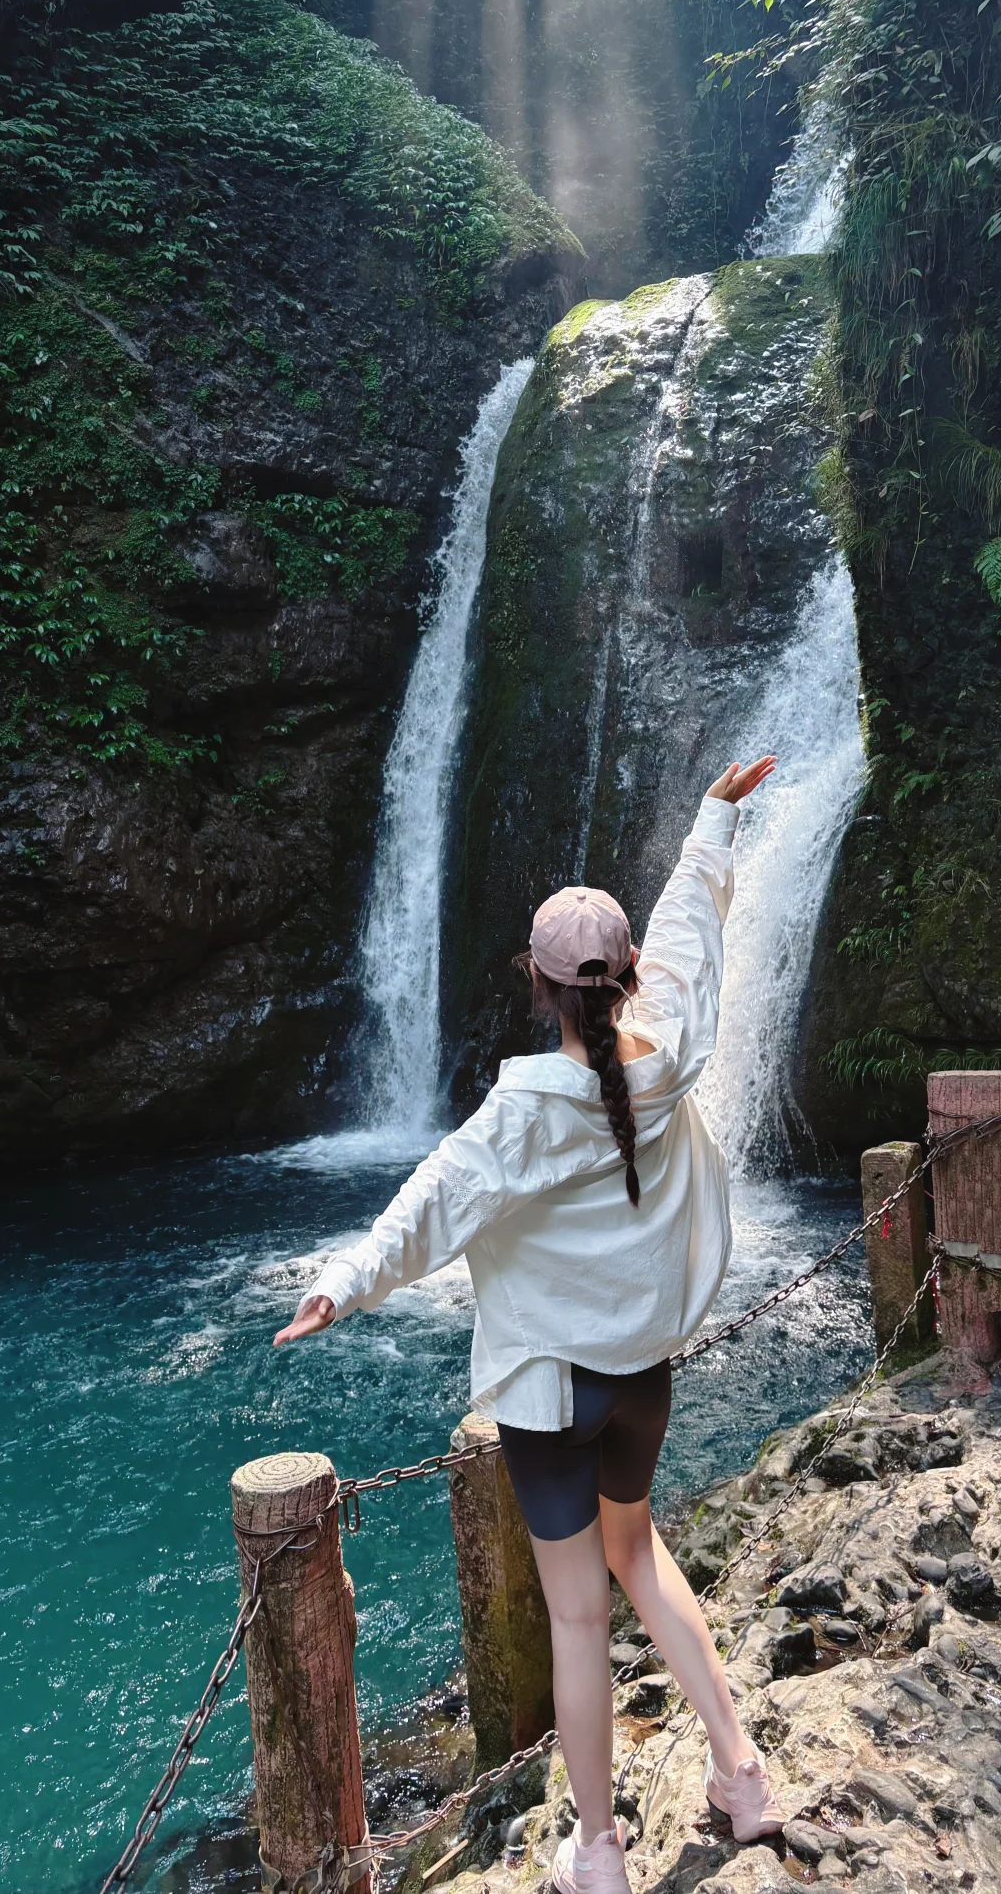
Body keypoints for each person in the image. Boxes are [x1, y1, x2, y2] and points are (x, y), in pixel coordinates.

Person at [274, 757, 784, 1890]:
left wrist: (342, 1283)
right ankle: (741, 1774)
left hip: (555, 1394)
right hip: (643, 1377)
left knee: (577, 1616)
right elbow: (693, 924)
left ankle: (596, 1850)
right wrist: (711, 811)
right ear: (630, 978)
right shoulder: (676, 1042)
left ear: (542, 988)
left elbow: (433, 1203)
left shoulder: (519, 1110)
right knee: (641, 1555)